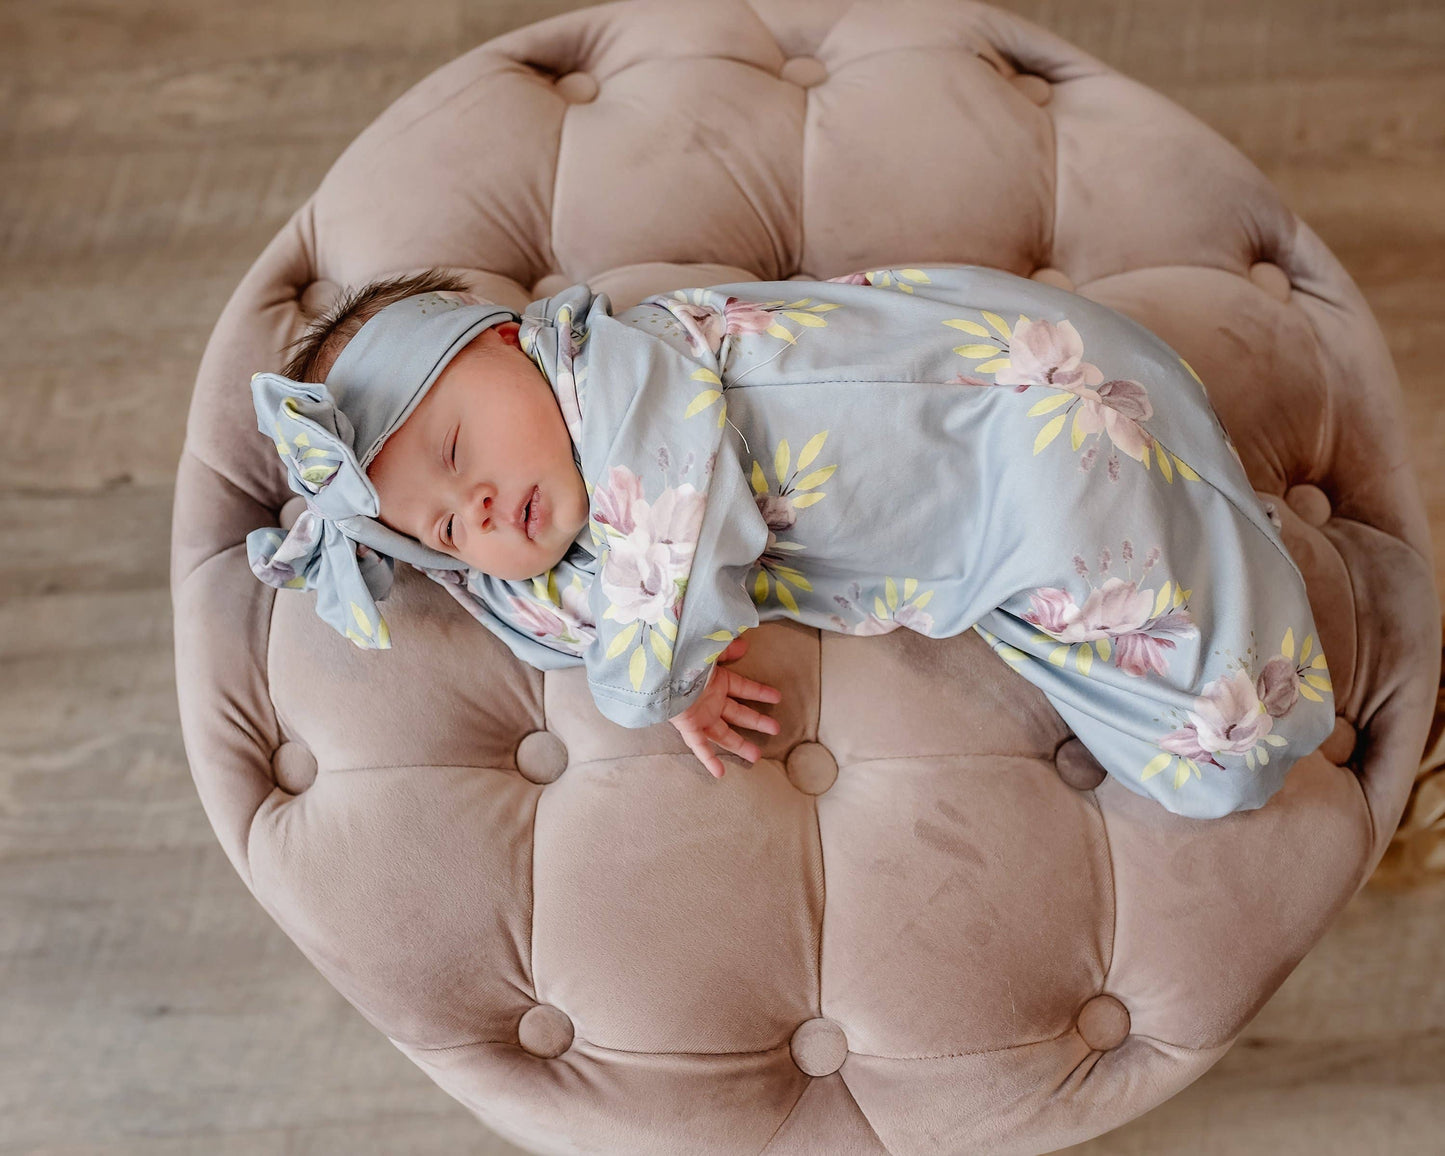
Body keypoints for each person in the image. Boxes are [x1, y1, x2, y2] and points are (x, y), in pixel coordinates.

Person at [247, 264, 1336, 819]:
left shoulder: (619, 377)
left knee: (1220, 750)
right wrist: (568, 613)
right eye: (444, 528)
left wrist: (662, 685)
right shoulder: (565, 523)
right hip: (975, 502)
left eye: (454, 445)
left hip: (1015, 431)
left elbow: (661, 571)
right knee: (1174, 696)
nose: (477, 505)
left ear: (510, 343)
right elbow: (555, 605)